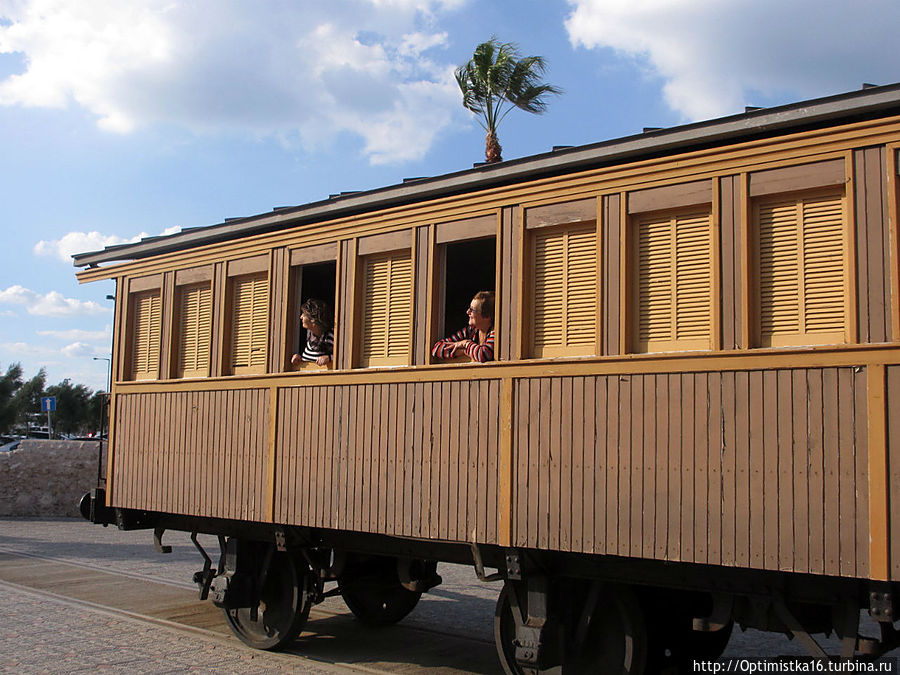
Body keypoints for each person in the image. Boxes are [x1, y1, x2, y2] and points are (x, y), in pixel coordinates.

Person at [431, 291, 495, 363]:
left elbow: (483, 355)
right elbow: (436, 349)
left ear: (487, 316)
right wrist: (464, 351)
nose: (467, 312)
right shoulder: (470, 331)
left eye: (472, 310)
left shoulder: (495, 333)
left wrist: (466, 343)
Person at [291, 298, 333, 367]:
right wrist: (299, 358)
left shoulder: (330, 335)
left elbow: (343, 356)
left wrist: (330, 358)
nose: (301, 317)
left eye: (304, 314)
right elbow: (310, 360)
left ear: (313, 319)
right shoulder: (309, 337)